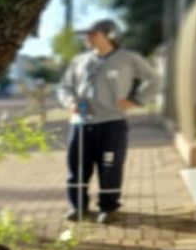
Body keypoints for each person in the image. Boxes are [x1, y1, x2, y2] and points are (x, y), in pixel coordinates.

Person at [56, 19, 159, 224]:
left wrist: (135, 100)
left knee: (110, 166)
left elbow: (154, 79)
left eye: (93, 34)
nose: (88, 38)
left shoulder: (128, 59)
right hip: (81, 124)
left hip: (112, 123)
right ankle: (77, 207)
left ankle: (109, 208)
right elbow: (64, 87)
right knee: (77, 166)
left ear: (109, 35)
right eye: (87, 34)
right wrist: (70, 101)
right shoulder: (79, 61)